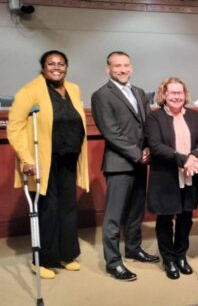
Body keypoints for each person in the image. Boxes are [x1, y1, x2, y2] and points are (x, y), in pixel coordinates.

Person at [7, 50, 89, 279]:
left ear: (66, 67)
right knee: (48, 210)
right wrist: (26, 159)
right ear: (43, 67)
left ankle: (66, 255)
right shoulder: (29, 91)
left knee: (68, 208)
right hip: (43, 161)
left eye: (61, 64)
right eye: (51, 64)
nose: (57, 67)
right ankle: (42, 259)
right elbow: (14, 127)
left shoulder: (73, 89)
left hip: (69, 158)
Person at [91, 51, 159, 282]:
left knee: (135, 212)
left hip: (142, 162)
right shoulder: (101, 95)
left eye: (126, 65)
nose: (122, 69)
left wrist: (148, 148)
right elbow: (111, 133)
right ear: (108, 69)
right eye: (117, 66)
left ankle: (133, 248)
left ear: (131, 67)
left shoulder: (139, 92)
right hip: (120, 164)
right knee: (113, 216)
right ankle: (113, 262)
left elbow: (147, 124)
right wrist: (137, 154)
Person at [145, 77, 198, 280]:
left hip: (190, 176)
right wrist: (183, 159)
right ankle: (168, 259)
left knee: (186, 218)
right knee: (165, 219)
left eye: (180, 92)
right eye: (172, 92)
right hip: (166, 177)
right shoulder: (155, 118)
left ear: (185, 95)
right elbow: (156, 146)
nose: (176, 96)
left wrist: (194, 156)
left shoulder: (195, 117)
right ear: (164, 95)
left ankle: (181, 256)